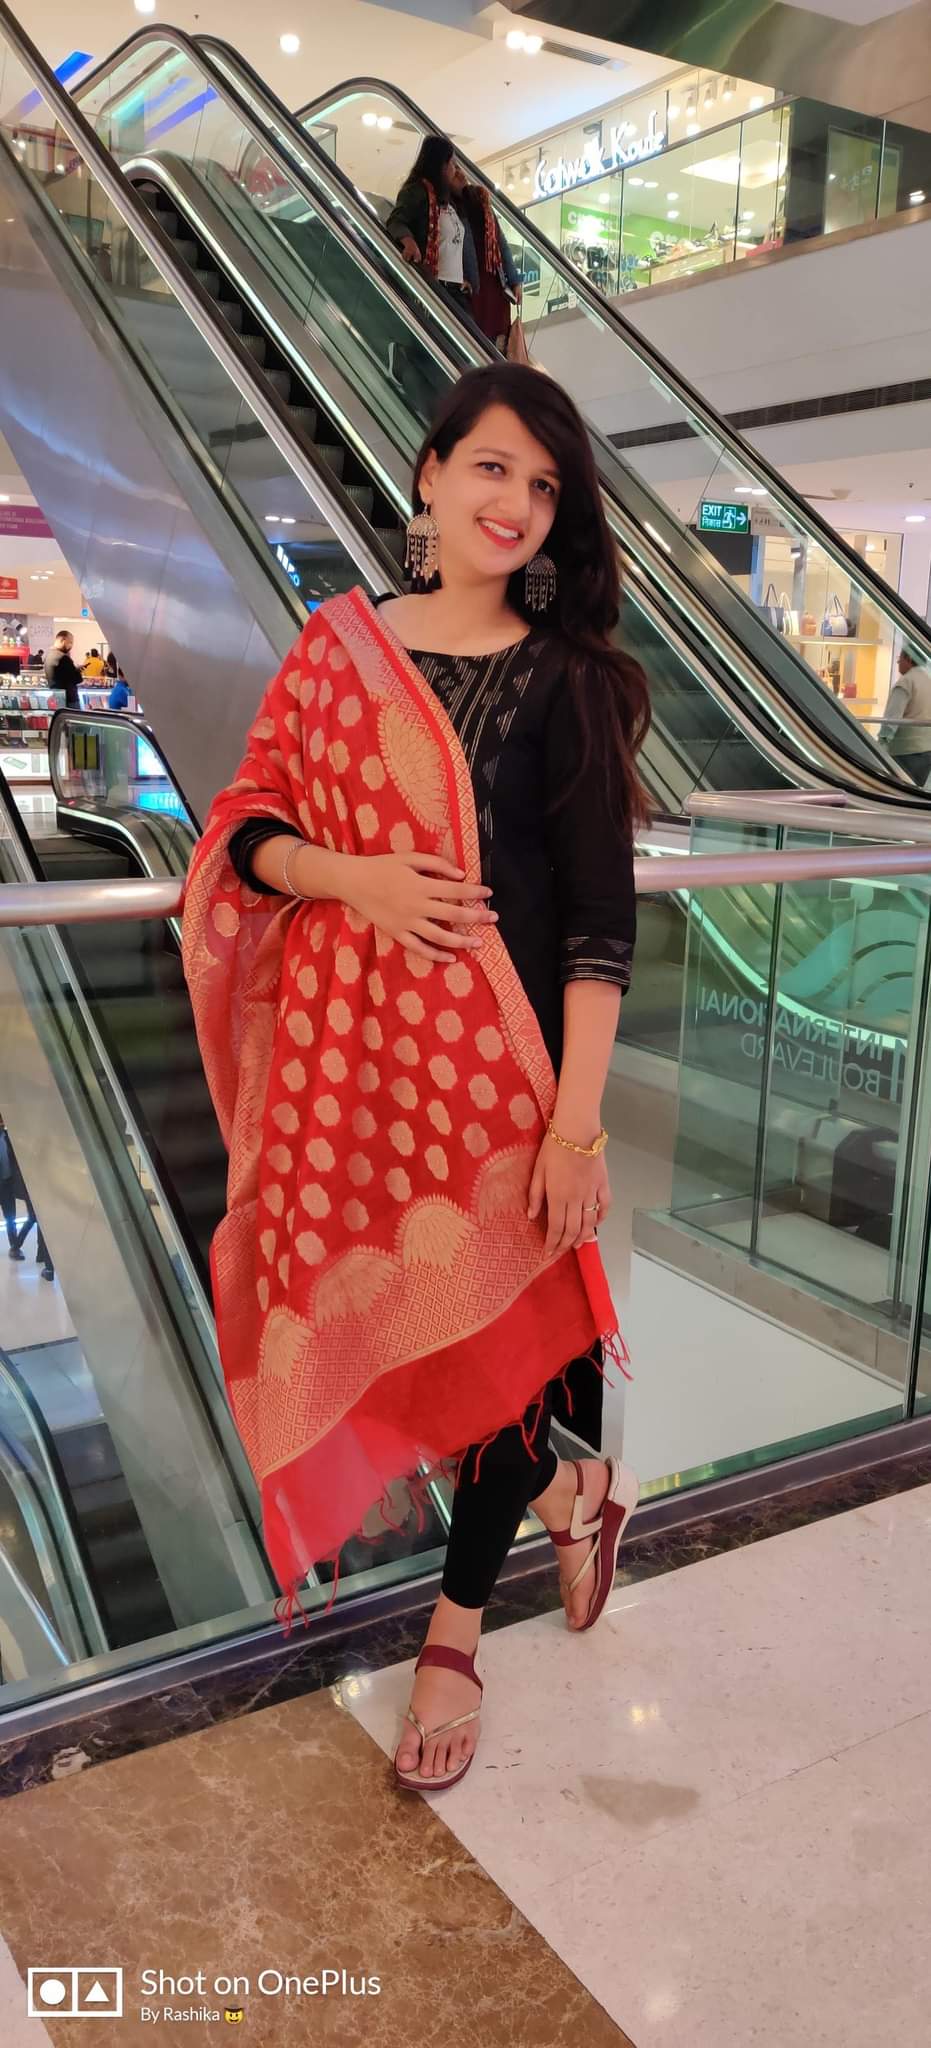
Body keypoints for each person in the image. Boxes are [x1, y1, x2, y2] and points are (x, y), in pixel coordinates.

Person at [183, 363, 650, 1793]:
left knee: (502, 1362)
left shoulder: (568, 681)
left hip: (513, 1087)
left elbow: (597, 924)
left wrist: (575, 1130)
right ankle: (576, 1486)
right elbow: (244, 826)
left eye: (543, 486)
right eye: (492, 468)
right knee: (429, 1349)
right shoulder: (334, 651)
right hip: (358, 1088)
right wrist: (353, 880)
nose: (515, 504)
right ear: (429, 475)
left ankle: (454, 1634)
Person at [387, 136, 493, 353]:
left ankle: (404, 354)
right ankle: (400, 354)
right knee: (453, 349)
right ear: (441, 165)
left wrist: (461, 277)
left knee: (469, 347)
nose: (455, 169)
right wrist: (409, 242)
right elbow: (396, 220)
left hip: (456, 290)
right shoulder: (416, 191)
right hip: (435, 287)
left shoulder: (446, 200)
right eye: (452, 163)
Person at [458, 180, 522, 350]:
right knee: (497, 336)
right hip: (492, 282)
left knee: (483, 334)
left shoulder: (461, 214)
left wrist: (515, 281)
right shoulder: (487, 215)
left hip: (479, 285)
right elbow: (503, 246)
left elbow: (502, 246)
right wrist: (515, 281)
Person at [0, 1118, 53, 1280]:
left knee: (33, 1216)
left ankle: (34, 1251)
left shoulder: (9, 1137)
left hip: (14, 1183)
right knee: (14, 1216)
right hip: (4, 1185)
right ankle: (16, 1246)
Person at [880, 647, 931, 788]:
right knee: (914, 791)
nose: (898, 662)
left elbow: (891, 720)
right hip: (926, 749)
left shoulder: (906, 682)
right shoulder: (928, 679)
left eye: (900, 658)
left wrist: (880, 746)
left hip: (904, 750)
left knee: (898, 791)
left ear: (909, 658)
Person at [44, 629, 83, 708]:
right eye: (70, 642)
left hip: (57, 697)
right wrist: (77, 671)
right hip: (69, 700)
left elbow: (62, 675)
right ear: (63, 640)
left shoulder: (48, 656)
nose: (71, 646)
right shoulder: (63, 658)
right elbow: (77, 679)